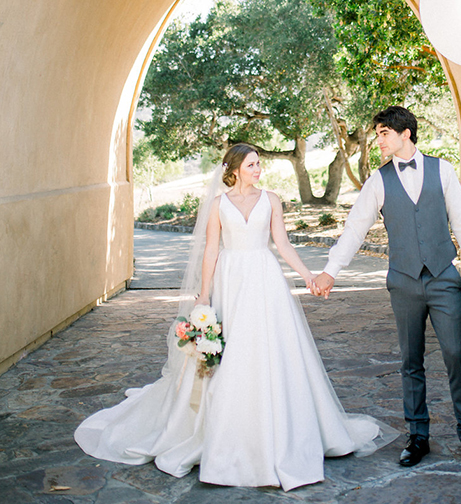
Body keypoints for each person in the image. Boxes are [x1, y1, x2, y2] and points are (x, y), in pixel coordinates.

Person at [75, 144, 396, 490]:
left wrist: (307, 276)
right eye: (252, 164)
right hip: (230, 282)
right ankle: (228, 432)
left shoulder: (271, 200)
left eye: (259, 163)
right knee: (231, 354)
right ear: (235, 169)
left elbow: (283, 244)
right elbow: (211, 249)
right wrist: (204, 294)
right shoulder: (219, 205)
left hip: (264, 279)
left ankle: (275, 430)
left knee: (269, 350)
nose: (258, 169)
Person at [313, 106, 461, 474]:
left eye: (383, 133)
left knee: (455, 354)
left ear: (405, 133)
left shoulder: (442, 170)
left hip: (443, 277)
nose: (378, 140)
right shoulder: (377, 181)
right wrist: (331, 271)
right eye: (377, 133)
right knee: (411, 362)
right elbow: (354, 229)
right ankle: (418, 437)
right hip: (403, 281)